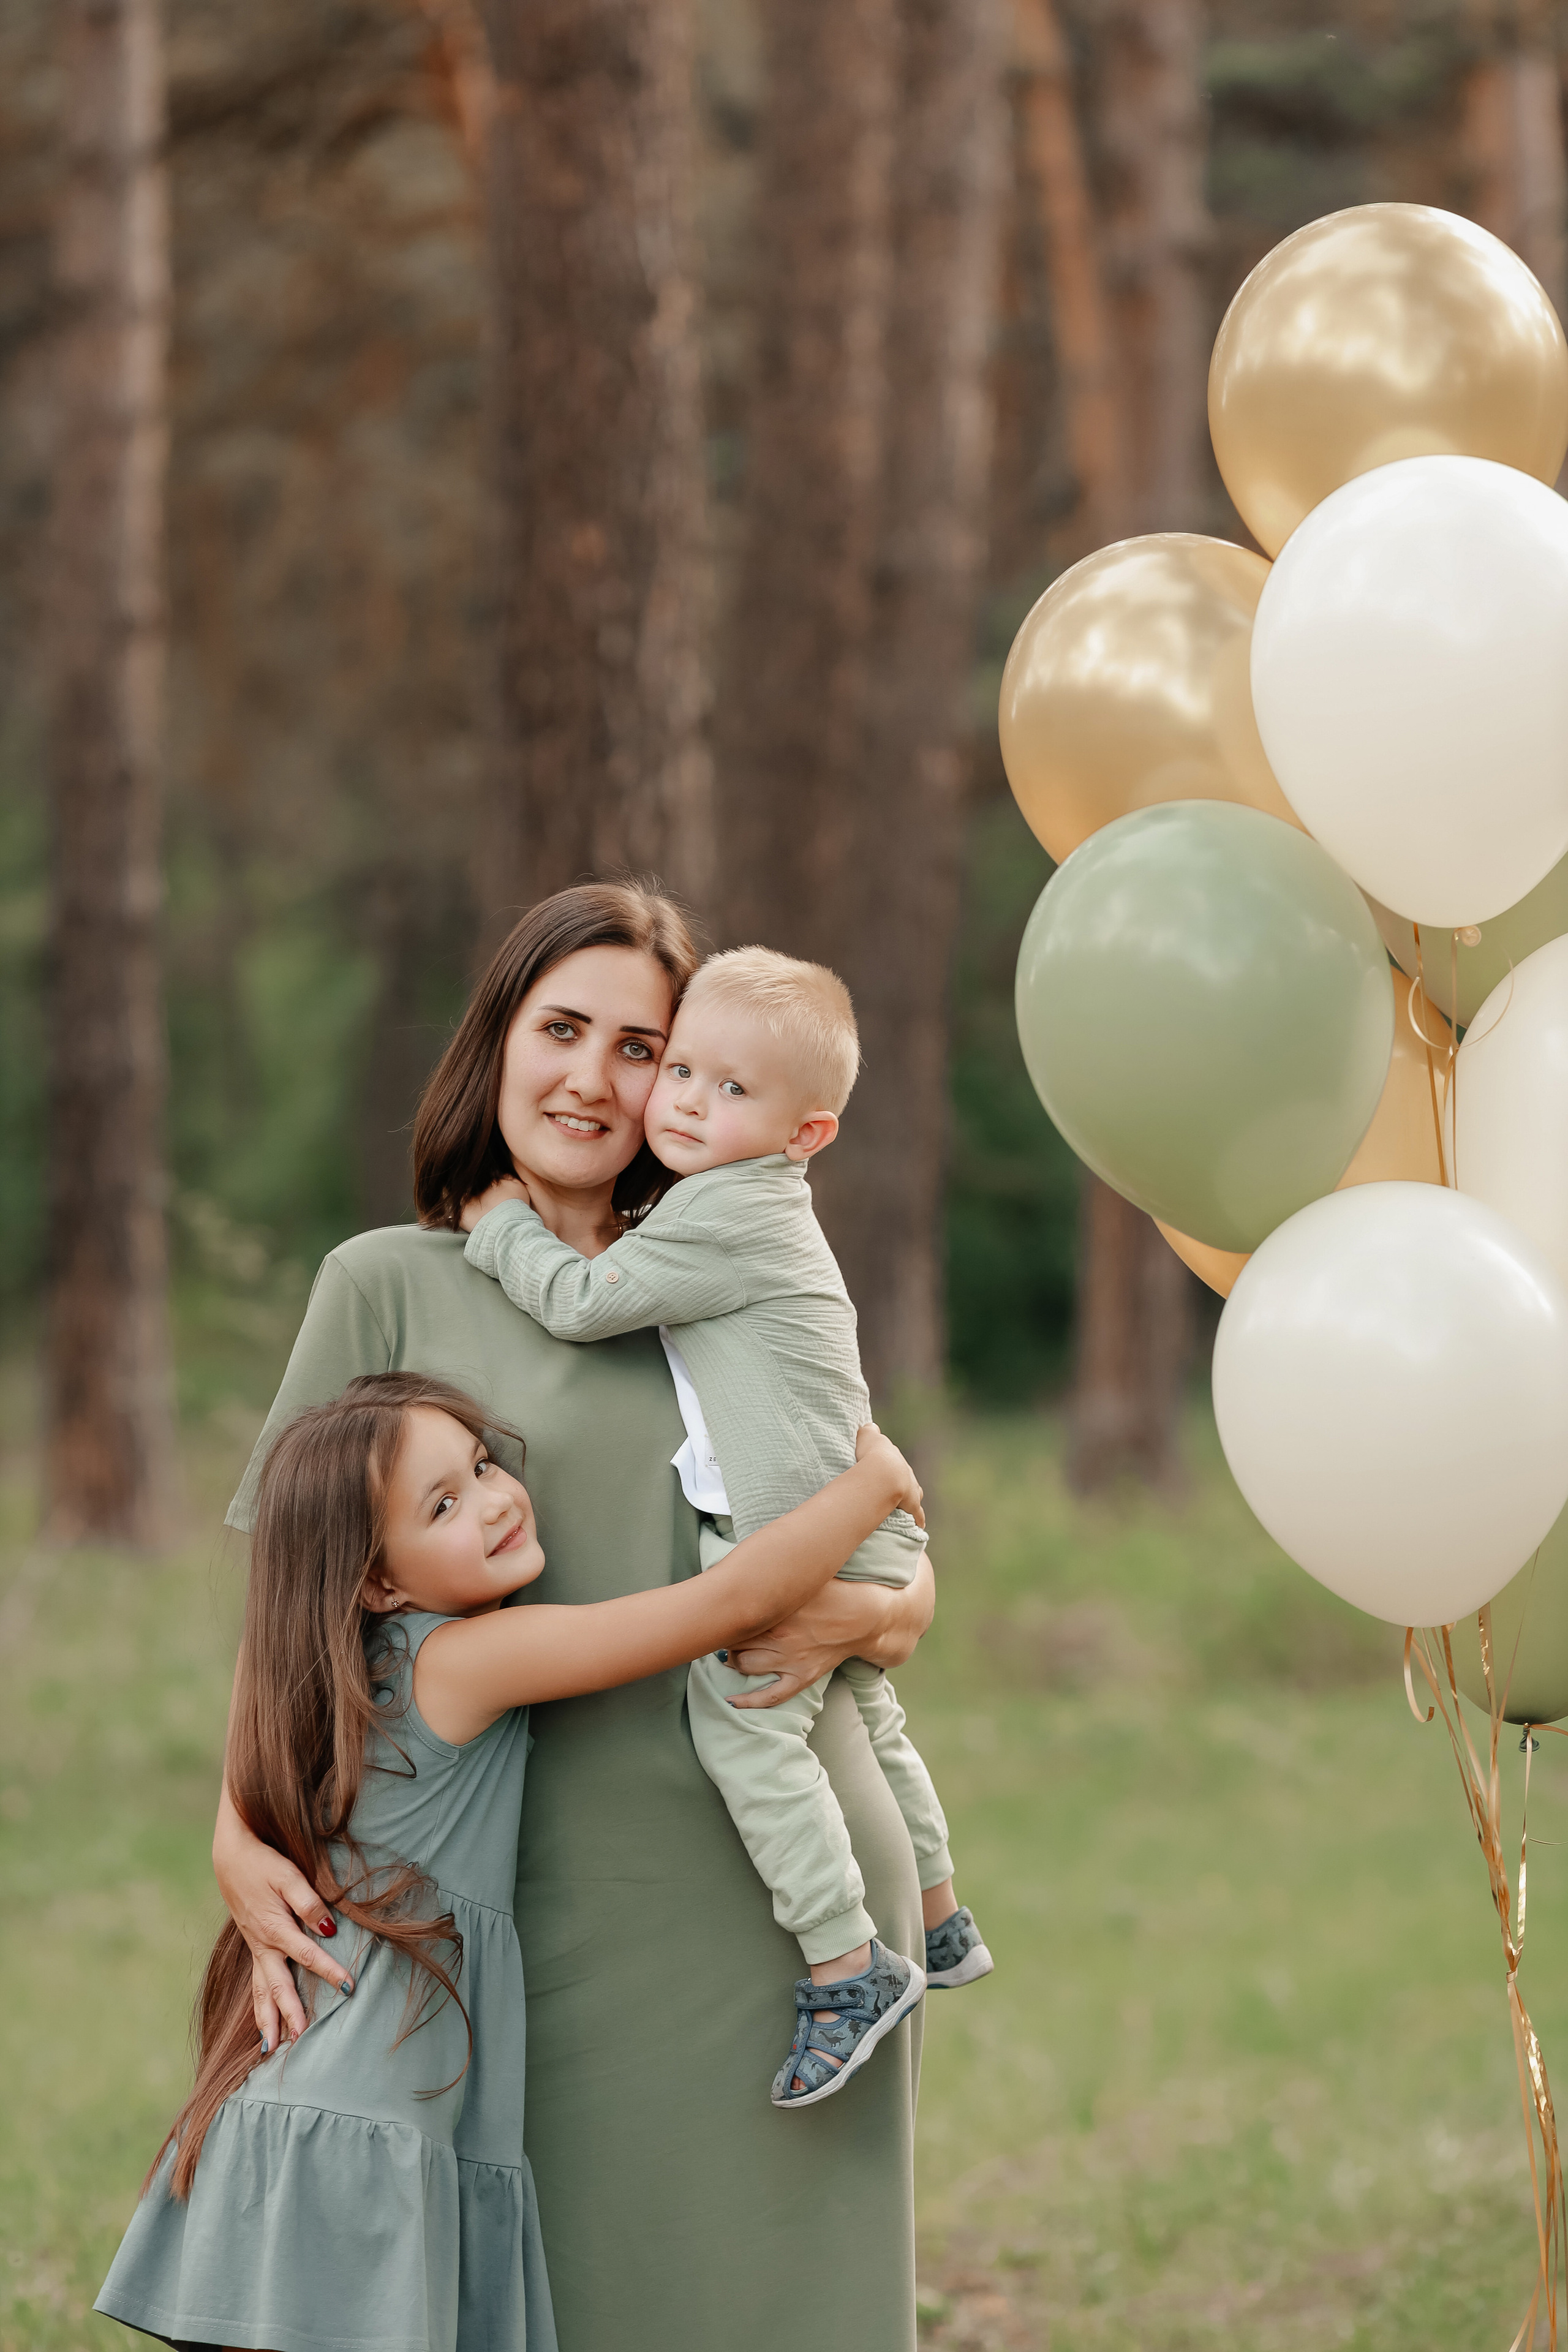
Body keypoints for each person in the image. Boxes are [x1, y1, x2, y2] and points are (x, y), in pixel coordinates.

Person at [208, 882, 937, 2352]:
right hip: (519, 1910)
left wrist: (891, 1608)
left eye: (643, 1047)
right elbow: (287, 1611)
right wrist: (236, 1825)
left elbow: (874, 1532)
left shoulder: (719, 1269)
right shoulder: (382, 1285)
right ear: (496, 1042)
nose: (596, 1080)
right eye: (563, 1030)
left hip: (781, 1911)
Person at [98, 1373, 921, 2352]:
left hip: (314, 2101)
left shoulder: (342, 1679)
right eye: (442, 1505)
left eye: (482, 1466)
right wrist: (876, 1484)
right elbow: (732, 1603)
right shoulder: (461, 1662)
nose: (493, 1501)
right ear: (378, 1583)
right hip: (362, 2118)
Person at [461, 946, 993, 2111]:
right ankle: (942, 1918)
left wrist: (500, 1226)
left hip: (807, 1537)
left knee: (743, 1724)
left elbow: (582, 1301)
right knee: (869, 1712)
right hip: (855, 1527)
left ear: (807, 1135)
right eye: (686, 1071)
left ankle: (849, 1969)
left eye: (732, 1090)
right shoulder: (744, 1205)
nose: (690, 1102)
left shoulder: (723, 1216)